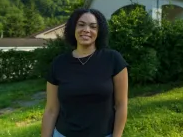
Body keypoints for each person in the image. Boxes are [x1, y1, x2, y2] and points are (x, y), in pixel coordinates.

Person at [41, 8, 128, 137]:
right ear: (73, 29)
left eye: (93, 27)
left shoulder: (113, 59)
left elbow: (121, 105)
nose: (86, 30)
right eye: (81, 25)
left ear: (99, 32)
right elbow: (51, 110)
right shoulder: (58, 64)